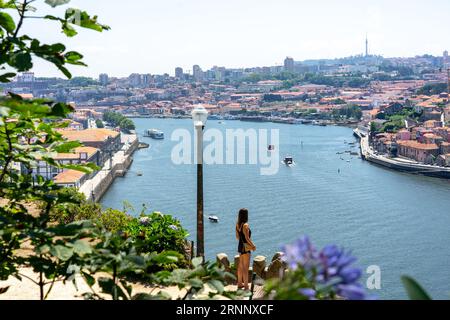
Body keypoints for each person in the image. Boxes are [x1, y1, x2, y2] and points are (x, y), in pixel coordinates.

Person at [235, 208, 256, 290]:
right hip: (246, 248)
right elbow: (247, 238)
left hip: (240, 246)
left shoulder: (238, 224)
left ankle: (240, 284)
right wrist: (253, 246)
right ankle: (246, 286)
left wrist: (242, 239)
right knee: (245, 267)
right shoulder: (246, 225)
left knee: (240, 266)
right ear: (246, 215)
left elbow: (237, 237)